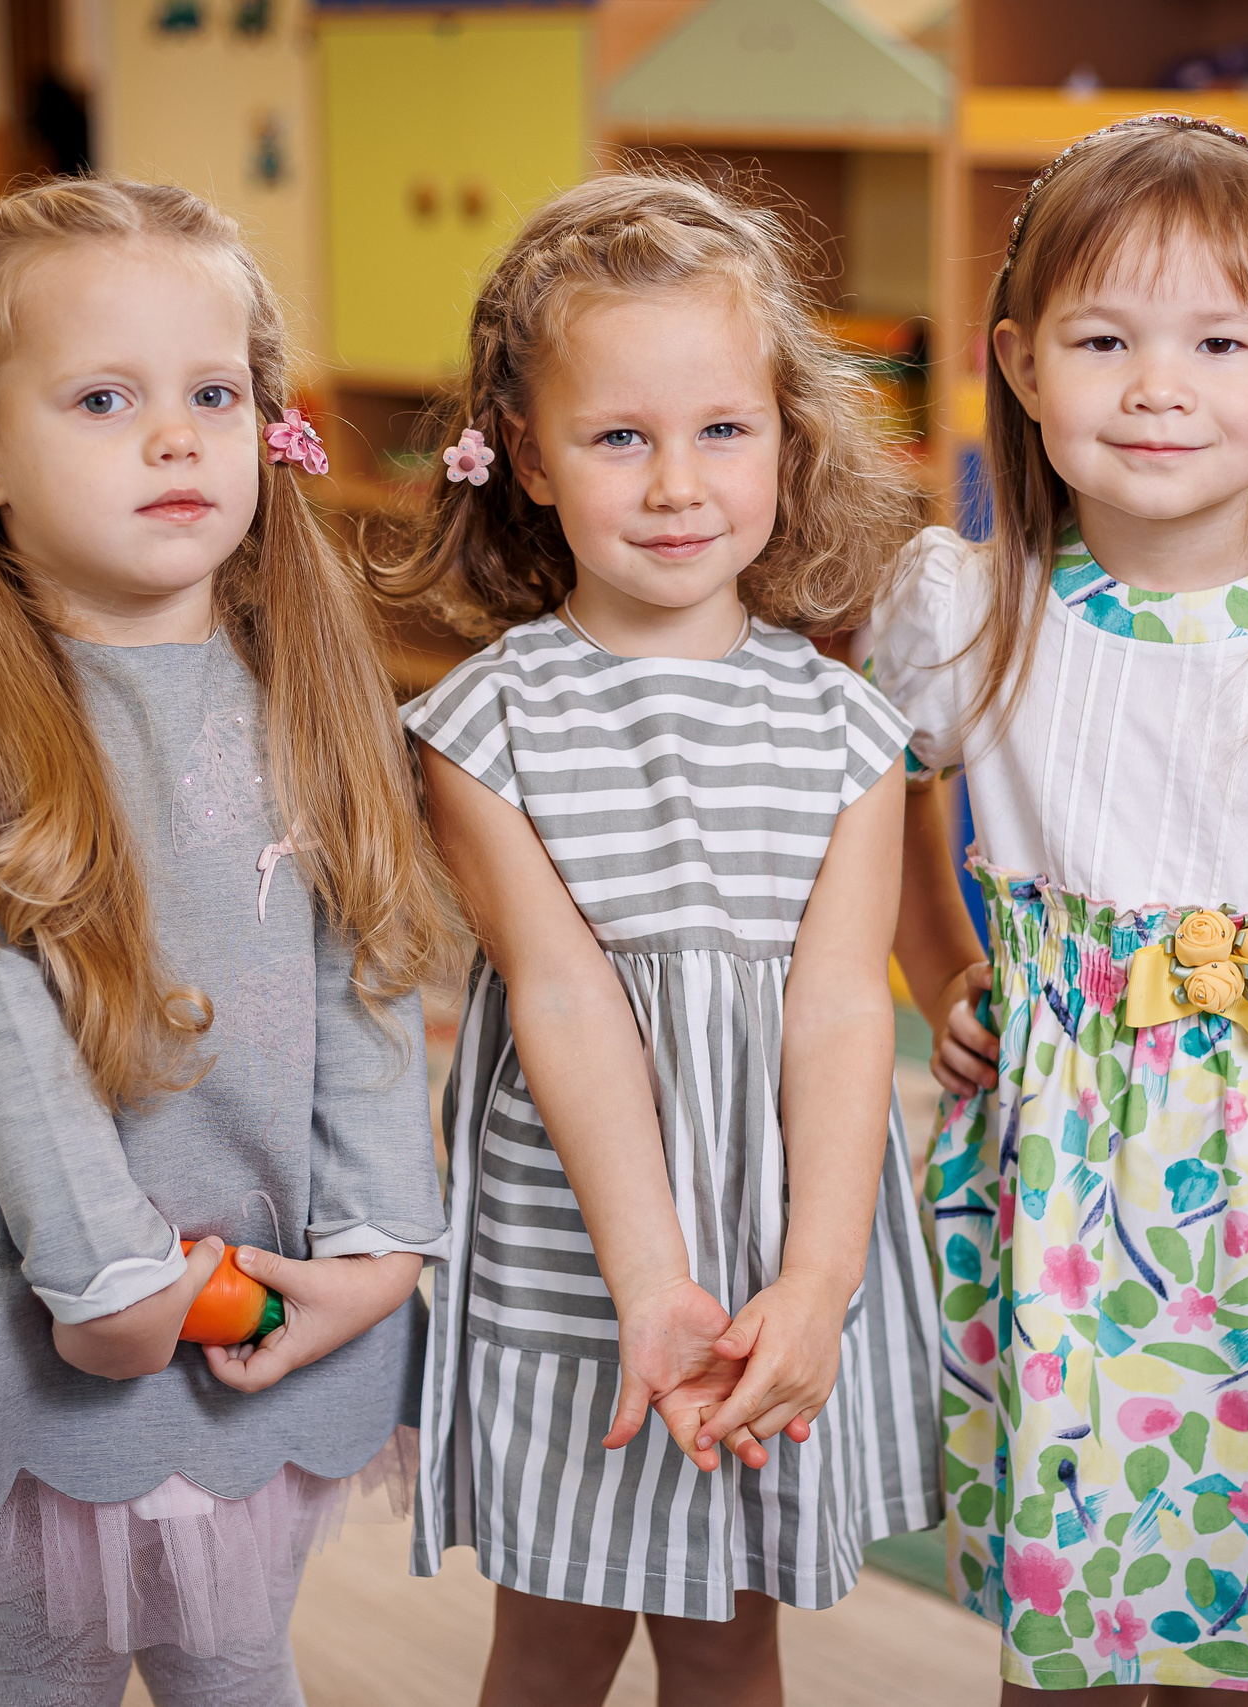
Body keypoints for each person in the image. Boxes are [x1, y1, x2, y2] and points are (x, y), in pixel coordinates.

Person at [867, 118, 1248, 1701]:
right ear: (1019, 364)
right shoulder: (959, 613)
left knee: (1234, 1627)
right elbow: (885, 812)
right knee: (1060, 1628)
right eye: (1104, 339)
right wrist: (946, 971)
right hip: (1044, 1207)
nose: (1159, 386)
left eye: (1218, 340)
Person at [0, 178, 454, 1707]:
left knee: (236, 1655)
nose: (177, 437)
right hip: (53, 1297)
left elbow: (364, 978)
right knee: (43, 1665)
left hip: (268, 1298)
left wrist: (376, 1244)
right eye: (107, 398)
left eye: (213, 394)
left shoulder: (307, 685)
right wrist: (106, 1279)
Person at [380, 172, 941, 1707]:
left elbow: (841, 1015)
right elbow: (559, 999)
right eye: (620, 436)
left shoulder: (847, 728)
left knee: (729, 1637)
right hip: (583, 1253)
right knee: (552, 1637)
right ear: (530, 464)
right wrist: (647, 1284)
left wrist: (819, 1280)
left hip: (777, 1237)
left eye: (722, 429)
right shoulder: (483, 722)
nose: (678, 482)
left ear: (790, 436)